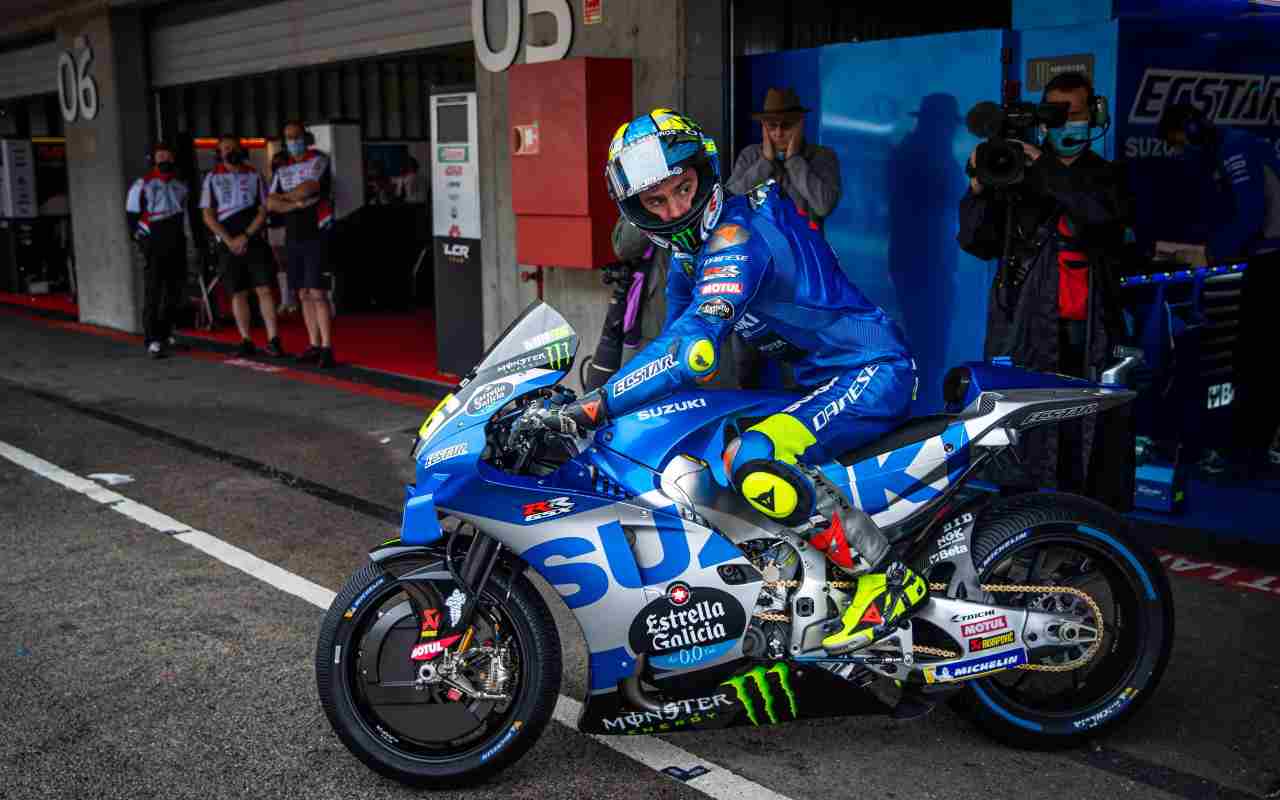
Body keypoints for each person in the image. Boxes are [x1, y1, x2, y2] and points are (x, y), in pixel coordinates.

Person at [547, 108, 927, 658]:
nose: (676, 209)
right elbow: (671, 343)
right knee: (706, 443)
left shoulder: (734, 236)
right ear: (636, 210)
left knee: (753, 457)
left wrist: (595, 407)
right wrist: (613, 413)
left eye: (683, 188)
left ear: (705, 170)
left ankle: (886, 579)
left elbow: (693, 349)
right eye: (656, 202)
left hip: (872, 370)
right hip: (818, 380)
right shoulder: (687, 253)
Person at [957, 72, 1135, 499]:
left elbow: (1101, 219)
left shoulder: (1107, 176)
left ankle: (1079, 534)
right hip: (1024, 329)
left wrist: (1044, 165)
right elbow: (976, 244)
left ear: (1092, 115)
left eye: (1071, 113)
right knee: (1019, 434)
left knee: (1083, 437)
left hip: (1086, 332)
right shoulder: (1016, 176)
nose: (1063, 123)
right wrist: (978, 190)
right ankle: (1019, 531)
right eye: (1054, 114)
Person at [1157, 102, 1280, 476]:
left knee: (1254, 360)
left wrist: (1211, 254)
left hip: (1272, 263)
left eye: (1180, 142)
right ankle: (1251, 449)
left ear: (1194, 131)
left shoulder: (1235, 149)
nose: (1181, 151)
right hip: (1267, 259)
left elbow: (1250, 213)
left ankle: (1245, 454)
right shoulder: (1236, 147)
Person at [200, 134, 284, 357]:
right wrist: (229, 241)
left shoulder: (254, 175)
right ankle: (245, 339)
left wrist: (246, 236)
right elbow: (208, 215)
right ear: (219, 153)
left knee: (264, 288)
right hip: (227, 241)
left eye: (233, 147)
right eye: (225, 148)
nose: (230, 151)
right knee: (238, 292)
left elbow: (264, 209)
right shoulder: (211, 178)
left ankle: (273, 339)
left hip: (254, 238)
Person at [724, 87, 842, 231]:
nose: (778, 133)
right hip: (760, 248)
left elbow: (824, 206)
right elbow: (729, 202)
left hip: (804, 248)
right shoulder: (750, 155)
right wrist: (765, 162)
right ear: (764, 127)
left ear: (799, 125)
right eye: (772, 126)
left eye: (786, 125)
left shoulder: (822, 156)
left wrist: (794, 161)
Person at [269, 120, 336, 368]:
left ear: (305, 138)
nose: (293, 142)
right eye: (288, 138)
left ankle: (327, 348)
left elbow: (309, 188)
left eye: (297, 137)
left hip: (317, 233)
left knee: (318, 292)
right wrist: (293, 204)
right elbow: (270, 202)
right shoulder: (282, 169)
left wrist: (287, 198)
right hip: (293, 236)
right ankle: (313, 344)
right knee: (303, 293)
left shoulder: (318, 160)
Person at [126, 142, 189, 359]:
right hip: (153, 240)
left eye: (167, 156)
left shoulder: (181, 186)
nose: (164, 160)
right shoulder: (141, 185)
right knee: (153, 291)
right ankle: (152, 339)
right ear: (153, 160)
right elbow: (132, 217)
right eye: (159, 156)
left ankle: (165, 332)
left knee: (174, 291)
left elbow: (186, 218)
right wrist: (140, 242)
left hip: (176, 241)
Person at [267, 150, 297, 316]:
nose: (278, 167)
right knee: (280, 263)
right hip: (274, 225)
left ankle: (294, 298)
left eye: (282, 164)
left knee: (292, 260)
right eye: (275, 164)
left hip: (289, 224)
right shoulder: (272, 181)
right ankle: (286, 299)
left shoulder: (293, 180)